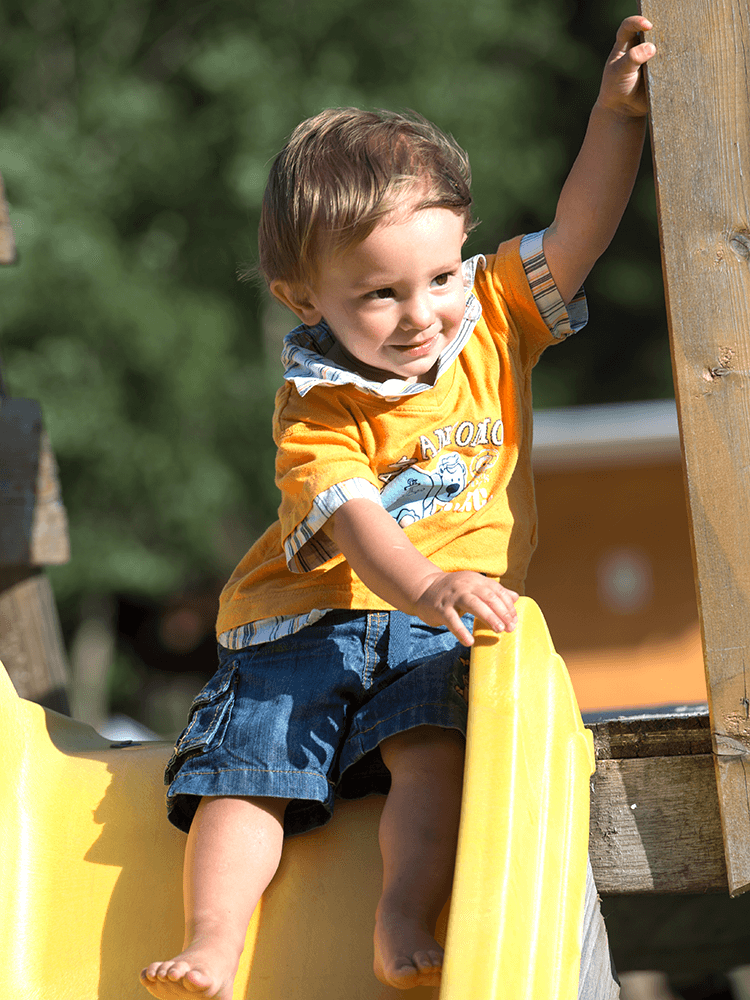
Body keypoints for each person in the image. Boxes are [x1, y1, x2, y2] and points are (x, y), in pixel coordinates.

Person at [140, 16, 655, 999]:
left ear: (463, 244)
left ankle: (404, 915)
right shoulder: (315, 401)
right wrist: (427, 581)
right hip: (300, 622)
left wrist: (614, 117)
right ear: (305, 298)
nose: (421, 313)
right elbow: (359, 523)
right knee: (248, 771)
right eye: (378, 294)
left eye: (436, 276)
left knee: (434, 751)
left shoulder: (494, 314)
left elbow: (581, 230)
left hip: (437, 624)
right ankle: (212, 939)